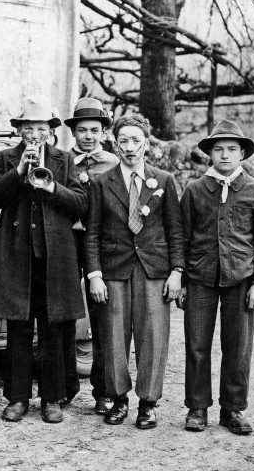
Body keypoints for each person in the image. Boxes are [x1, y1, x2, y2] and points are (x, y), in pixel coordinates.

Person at [0, 98, 87, 424]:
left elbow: (81, 205)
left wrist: (52, 186)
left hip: (55, 259)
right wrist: (19, 172)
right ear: (20, 130)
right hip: (17, 257)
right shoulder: (4, 158)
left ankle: (51, 398)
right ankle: (17, 398)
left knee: (54, 330)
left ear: (51, 131)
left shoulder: (65, 160)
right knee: (18, 329)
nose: (34, 134)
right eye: (28, 128)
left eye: (41, 128)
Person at [83, 113, 184, 429]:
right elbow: (93, 232)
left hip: (154, 269)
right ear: (114, 141)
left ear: (146, 143)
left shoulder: (164, 181)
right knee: (113, 336)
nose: (129, 147)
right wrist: (94, 274)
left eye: (136, 141)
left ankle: (149, 403)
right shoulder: (102, 183)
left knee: (153, 335)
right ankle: (117, 399)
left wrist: (177, 270)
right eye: (123, 140)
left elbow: (175, 230)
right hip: (114, 270)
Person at [179, 119, 254, 435]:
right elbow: (181, 236)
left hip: (241, 278)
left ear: (242, 154)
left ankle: (233, 409)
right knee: (196, 344)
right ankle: (197, 407)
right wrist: (180, 279)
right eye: (218, 149)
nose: (224, 155)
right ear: (210, 153)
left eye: (231, 149)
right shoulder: (195, 190)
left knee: (238, 346)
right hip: (200, 278)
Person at [64, 98, 118, 414]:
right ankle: (64, 387)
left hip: (101, 243)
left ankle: (103, 392)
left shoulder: (113, 162)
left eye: (94, 130)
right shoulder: (62, 160)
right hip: (68, 241)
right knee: (66, 312)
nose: (88, 136)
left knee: (102, 316)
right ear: (73, 132)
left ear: (103, 132)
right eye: (82, 130)